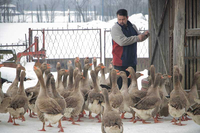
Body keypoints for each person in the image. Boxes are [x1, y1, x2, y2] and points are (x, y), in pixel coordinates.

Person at [111, 9, 149, 89]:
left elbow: (139, 37)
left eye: (123, 19)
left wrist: (145, 35)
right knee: (121, 88)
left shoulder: (132, 26)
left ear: (127, 17)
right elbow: (122, 42)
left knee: (132, 86)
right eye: (119, 19)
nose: (121, 21)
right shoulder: (115, 28)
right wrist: (137, 37)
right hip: (120, 63)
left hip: (131, 61)